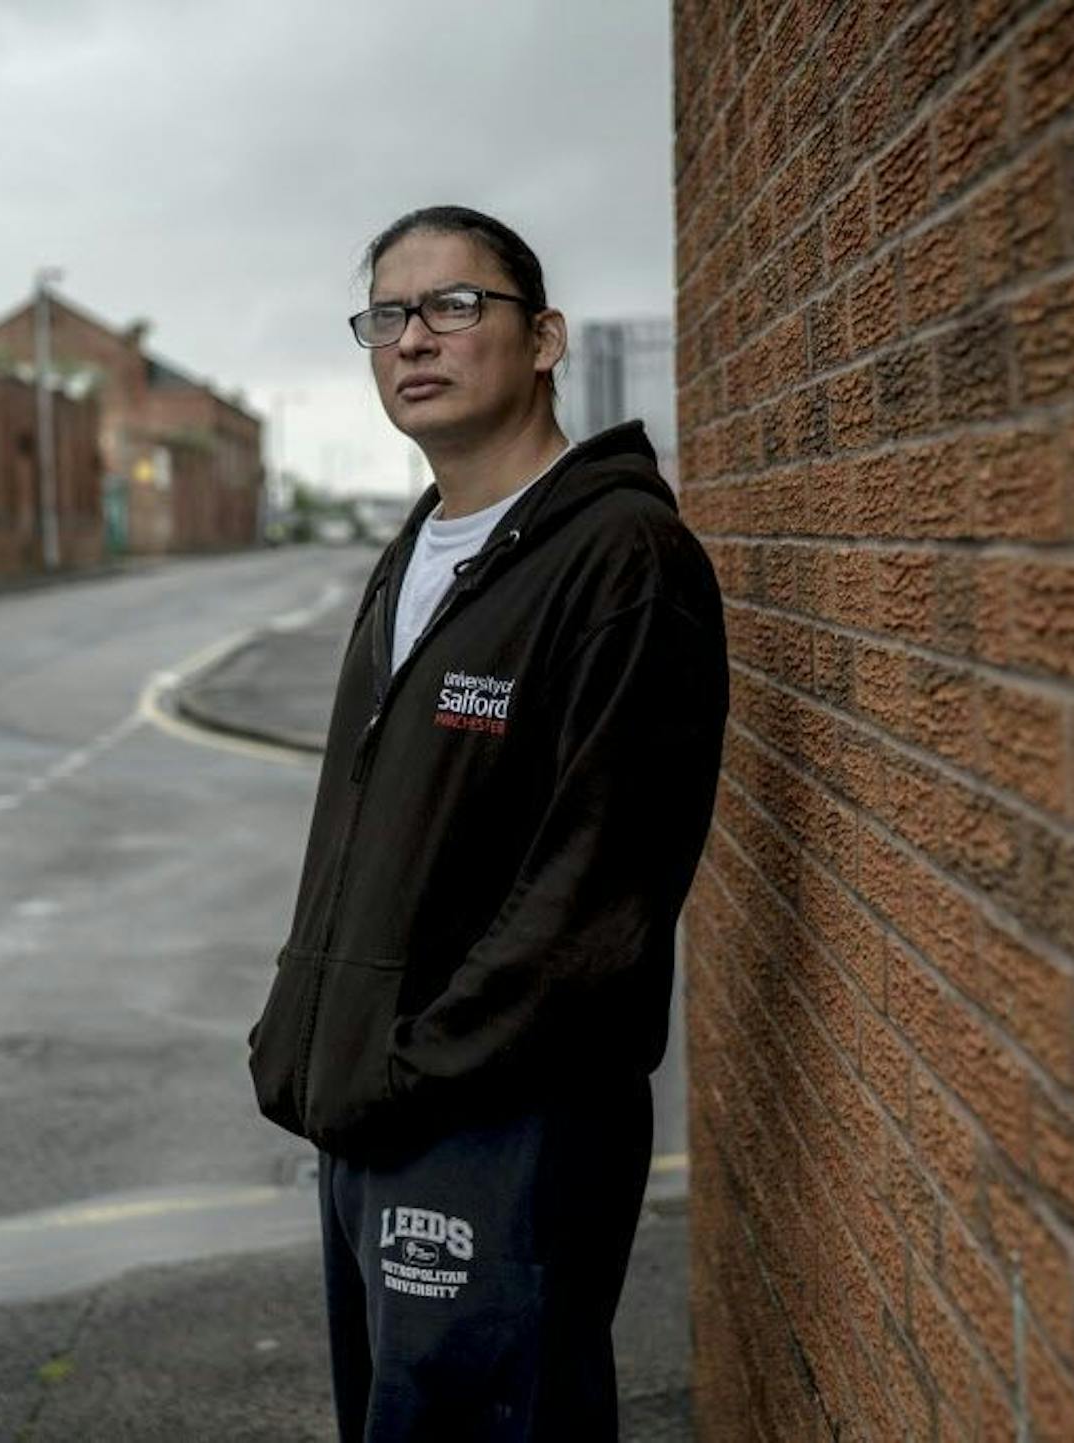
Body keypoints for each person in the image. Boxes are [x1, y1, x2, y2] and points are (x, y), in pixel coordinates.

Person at [246, 205, 728, 1441]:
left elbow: (603, 882)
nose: (415, 338)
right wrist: (302, 1029)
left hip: (500, 1120)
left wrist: (414, 1066)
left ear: (545, 337)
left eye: (456, 306)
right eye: (389, 315)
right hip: (372, 1106)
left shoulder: (625, 556)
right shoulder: (418, 553)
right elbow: (371, 834)